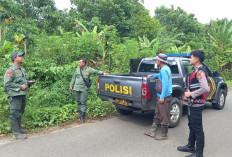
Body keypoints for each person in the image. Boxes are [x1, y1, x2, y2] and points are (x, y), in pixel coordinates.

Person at [177, 50, 209, 157]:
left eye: (191, 57)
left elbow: (205, 88)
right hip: (192, 104)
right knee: (191, 125)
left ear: (197, 59)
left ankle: (199, 153)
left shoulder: (200, 72)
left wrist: (191, 94)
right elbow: (195, 83)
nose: (190, 59)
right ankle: (190, 146)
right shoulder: (195, 71)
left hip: (196, 104)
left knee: (197, 128)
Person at [4, 52, 35, 139]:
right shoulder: (11, 70)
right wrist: (20, 87)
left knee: (20, 111)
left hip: (22, 94)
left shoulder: (22, 69)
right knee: (14, 113)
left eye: (22, 56)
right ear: (15, 58)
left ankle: (19, 128)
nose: (22, 57)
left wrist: (28, 83)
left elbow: (22, 81)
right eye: (20, 56)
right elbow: (7, 83)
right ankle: (16, 133)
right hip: (15, 95)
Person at [69, 58, 108, 122]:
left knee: (83, 102)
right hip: (76, 88)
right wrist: (71, 86)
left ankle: (82, 116)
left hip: (84, 89)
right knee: (78, 102)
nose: (79, 63)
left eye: (80, 62)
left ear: (84, 63)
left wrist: (103, 73)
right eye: (78, 62)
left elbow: (96, 71)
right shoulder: (77, 69)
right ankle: (80, 113)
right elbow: (74, 78)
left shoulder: (89, 69)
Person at [145, 53, 172, 140]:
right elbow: (160, 76)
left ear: (160, 61)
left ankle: (164, 135)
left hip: (163, 97)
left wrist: (162, 97)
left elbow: (165, 84)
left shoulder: (164, 70)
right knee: (157, 113)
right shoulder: (164, 68)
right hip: (160, 95)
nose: (156, 61)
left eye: (157, 60)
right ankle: (152, 131)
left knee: (164, 115)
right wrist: (153, 75)